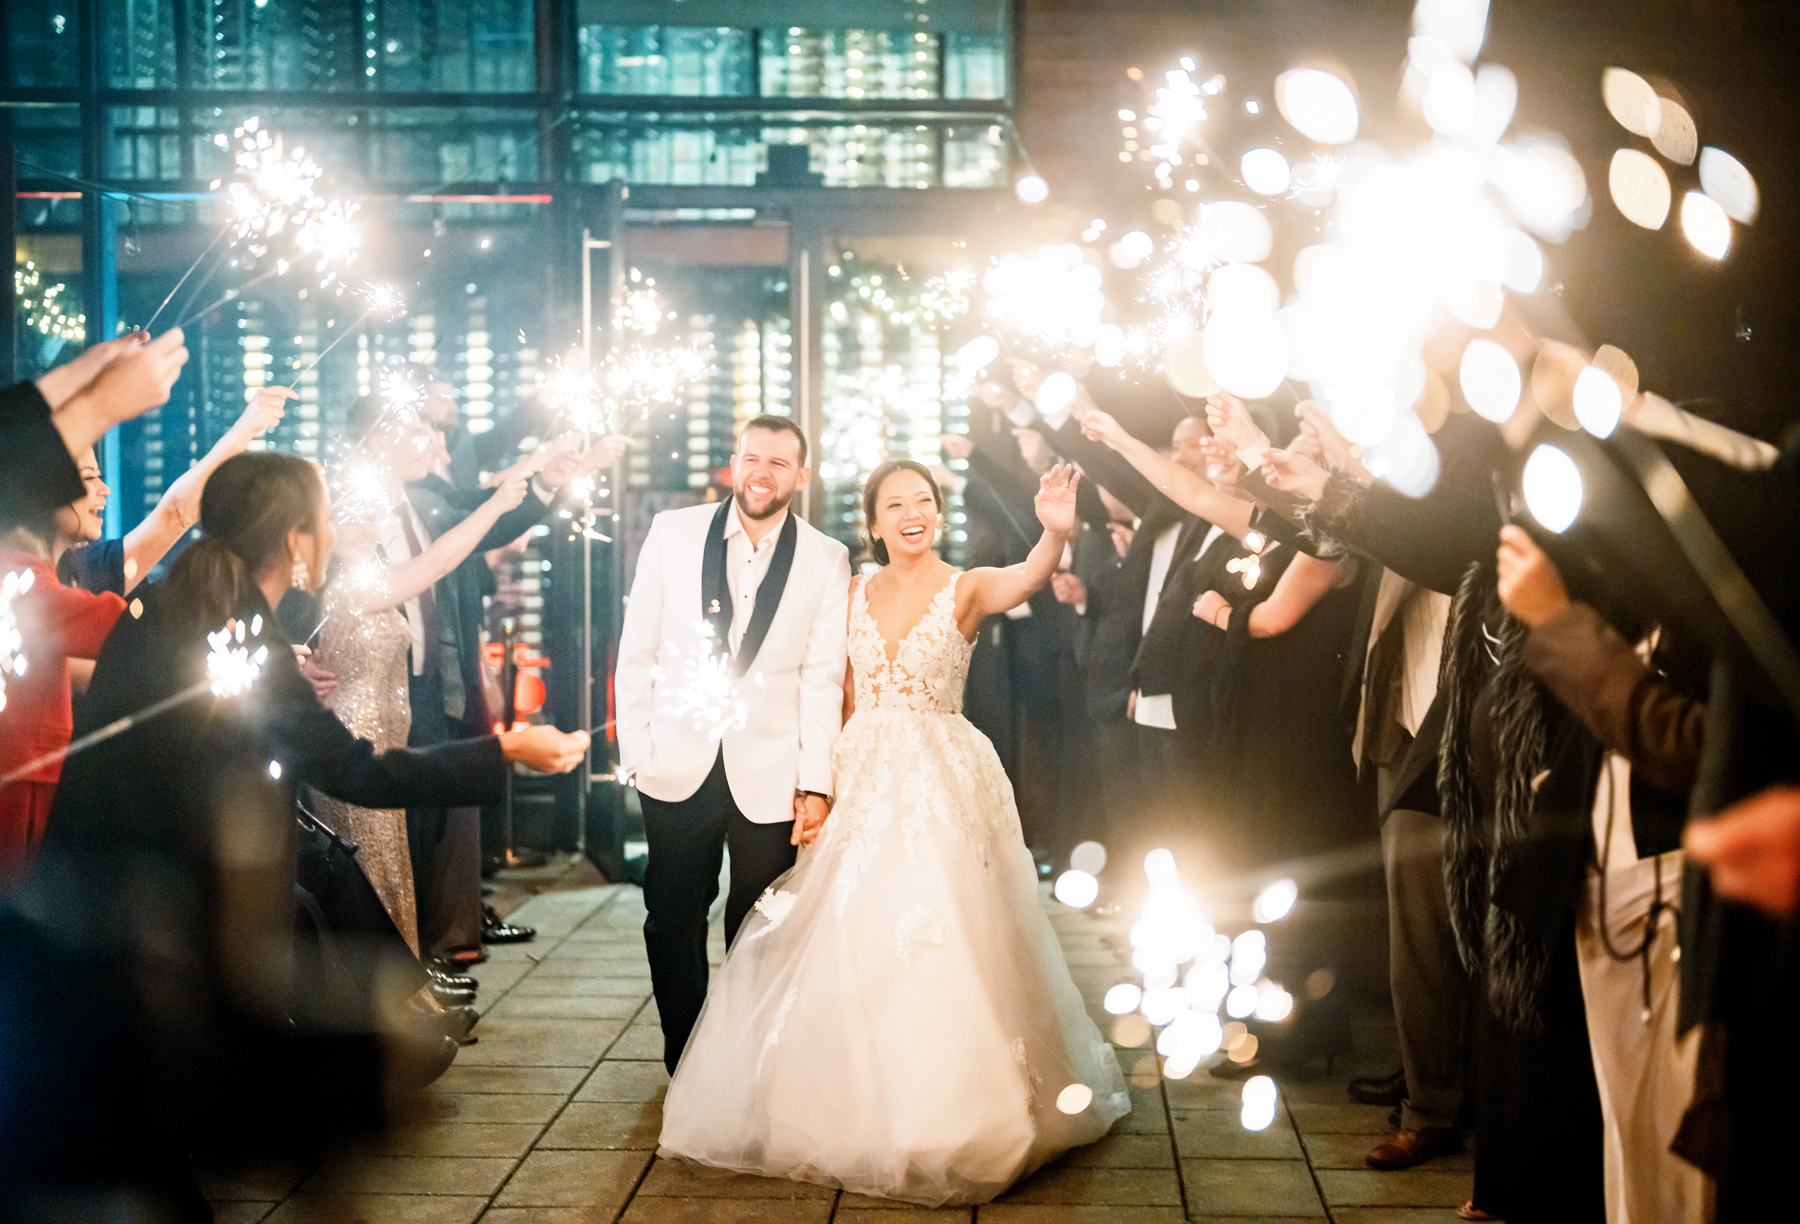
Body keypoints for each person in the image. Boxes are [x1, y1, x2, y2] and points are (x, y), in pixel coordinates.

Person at [0, 450, 588, 1220]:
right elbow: (353, 770)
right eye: (321, 520)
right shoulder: (230, 626)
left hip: (126, 901)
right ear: (296, 540)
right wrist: (505, 751)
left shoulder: (193, 605)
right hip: (144, 916)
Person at [658, 458, 1129, 1206]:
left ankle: (957, 1110)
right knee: (845, 930)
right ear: (873, 523)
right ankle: (839, 1100)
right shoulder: (848, 594)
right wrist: (816, 788)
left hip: (939, 773)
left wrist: (1053, 532)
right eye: (896, 504)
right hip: (860, 770)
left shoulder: (966, 586)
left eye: (924, 502)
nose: (913, 513)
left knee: (939, 925)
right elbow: (833, 694)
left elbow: (1028, 577)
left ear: (937, 515)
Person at [615, 414, 852, 1074]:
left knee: (759, 926)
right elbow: (638, 647)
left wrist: (816, 781)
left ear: (801, 476)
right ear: (733, 462)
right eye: (752, 458)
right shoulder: (674, 532)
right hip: (675, 764)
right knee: (671, 916)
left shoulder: (827, 557)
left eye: (778, 463)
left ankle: (745, 1065)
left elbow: (820, 679)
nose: (761, 472)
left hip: (772, 773)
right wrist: (637, 748)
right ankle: (685, 1062)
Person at [308, 467, 532, 958]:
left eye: (370, 516)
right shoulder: (348, 587)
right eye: (350, 518)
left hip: (388, 737)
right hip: (356, 741)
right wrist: (494, 506)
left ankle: (408, 986)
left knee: (395, 870)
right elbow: (434, 564)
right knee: (372, 874)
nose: (366, 527)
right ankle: (387, 997)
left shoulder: (370, 578)